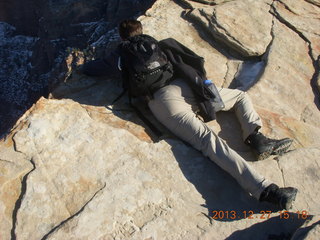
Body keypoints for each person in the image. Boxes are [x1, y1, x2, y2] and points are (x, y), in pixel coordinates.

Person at [82, 19, 298, 210]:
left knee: (210, 143)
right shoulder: (155, 45)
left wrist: (82, 68)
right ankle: (256, 137)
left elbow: (94, 69)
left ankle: (268, 191)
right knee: (240, 97)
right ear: (141, 30)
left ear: (121, 36)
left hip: (163, 104)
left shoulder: (121, 55)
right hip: (186, 89)